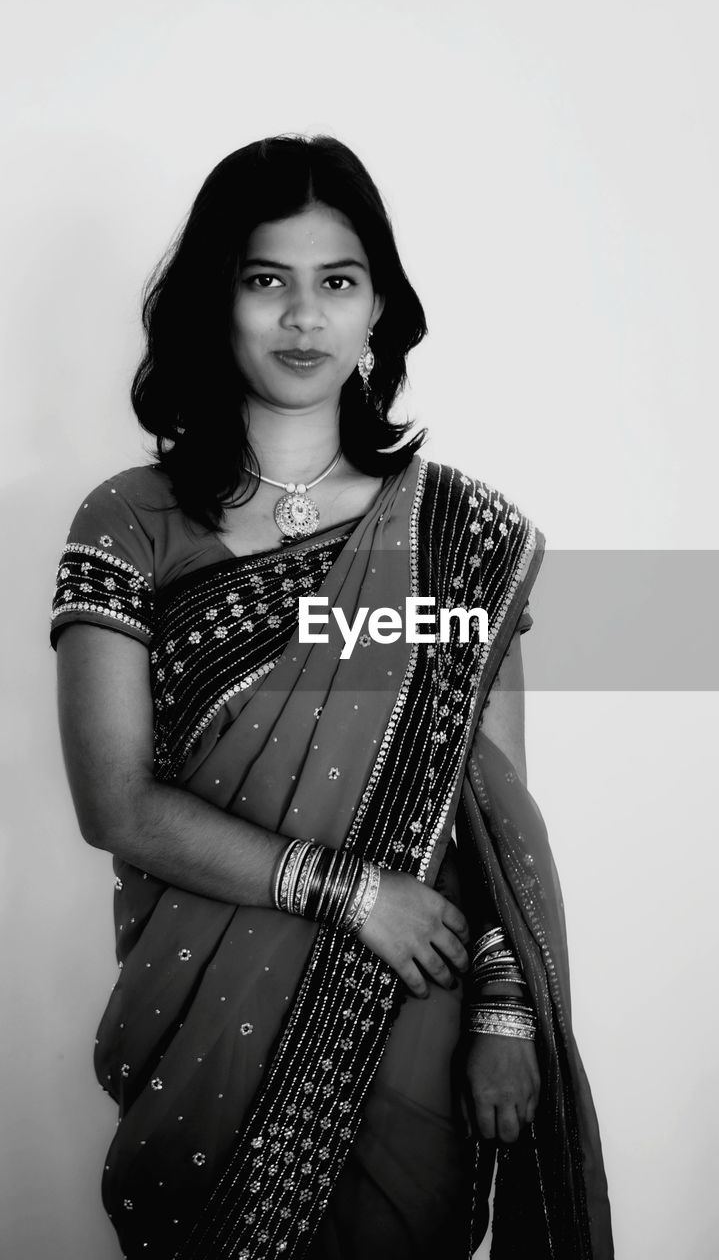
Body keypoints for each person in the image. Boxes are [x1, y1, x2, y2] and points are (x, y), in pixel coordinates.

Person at [50, 134, 613, 1260]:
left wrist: (503, 1008)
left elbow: (493, 815)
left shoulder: (457, 536)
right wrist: (351, 890)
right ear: (219, 302)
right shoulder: (127, 521)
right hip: (202, 1032)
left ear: (375, 313)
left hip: (410, 1009)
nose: (302, 317)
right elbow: (115, 803)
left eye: (336, 282)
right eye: (267, 281)